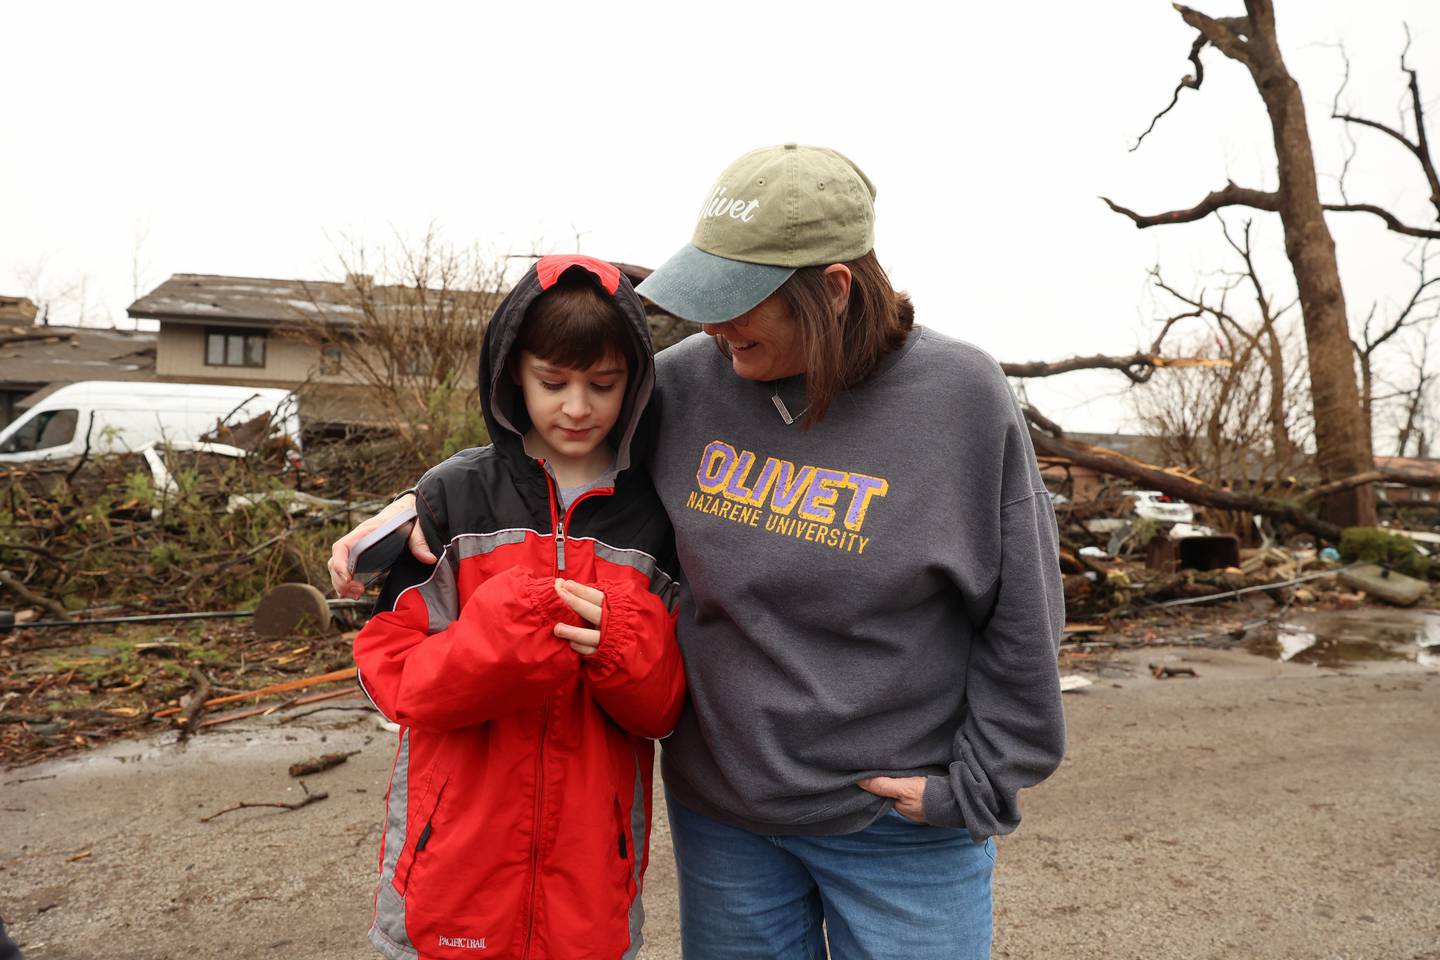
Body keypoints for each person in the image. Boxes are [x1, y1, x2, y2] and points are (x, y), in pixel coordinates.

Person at [334, 145, 1066, 959]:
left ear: (832, 289)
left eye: (739, 301)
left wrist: (980, 785)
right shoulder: (683, 385)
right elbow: (543, 463)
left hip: (893, 827)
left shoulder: (961, 400)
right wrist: (420, 501)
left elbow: (1023, 613)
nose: (714, 325)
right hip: (727, 828)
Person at [351, 255, 686, 960]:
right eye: (552, 382)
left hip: (591, 887)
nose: (576, 407)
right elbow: (391, 676)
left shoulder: (654, 518)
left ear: (636, 385)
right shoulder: (453, 497)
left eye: (603, 385)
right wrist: (503, 641)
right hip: (452, 875)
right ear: (512, 375)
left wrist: (622, 641)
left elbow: (664, 709)